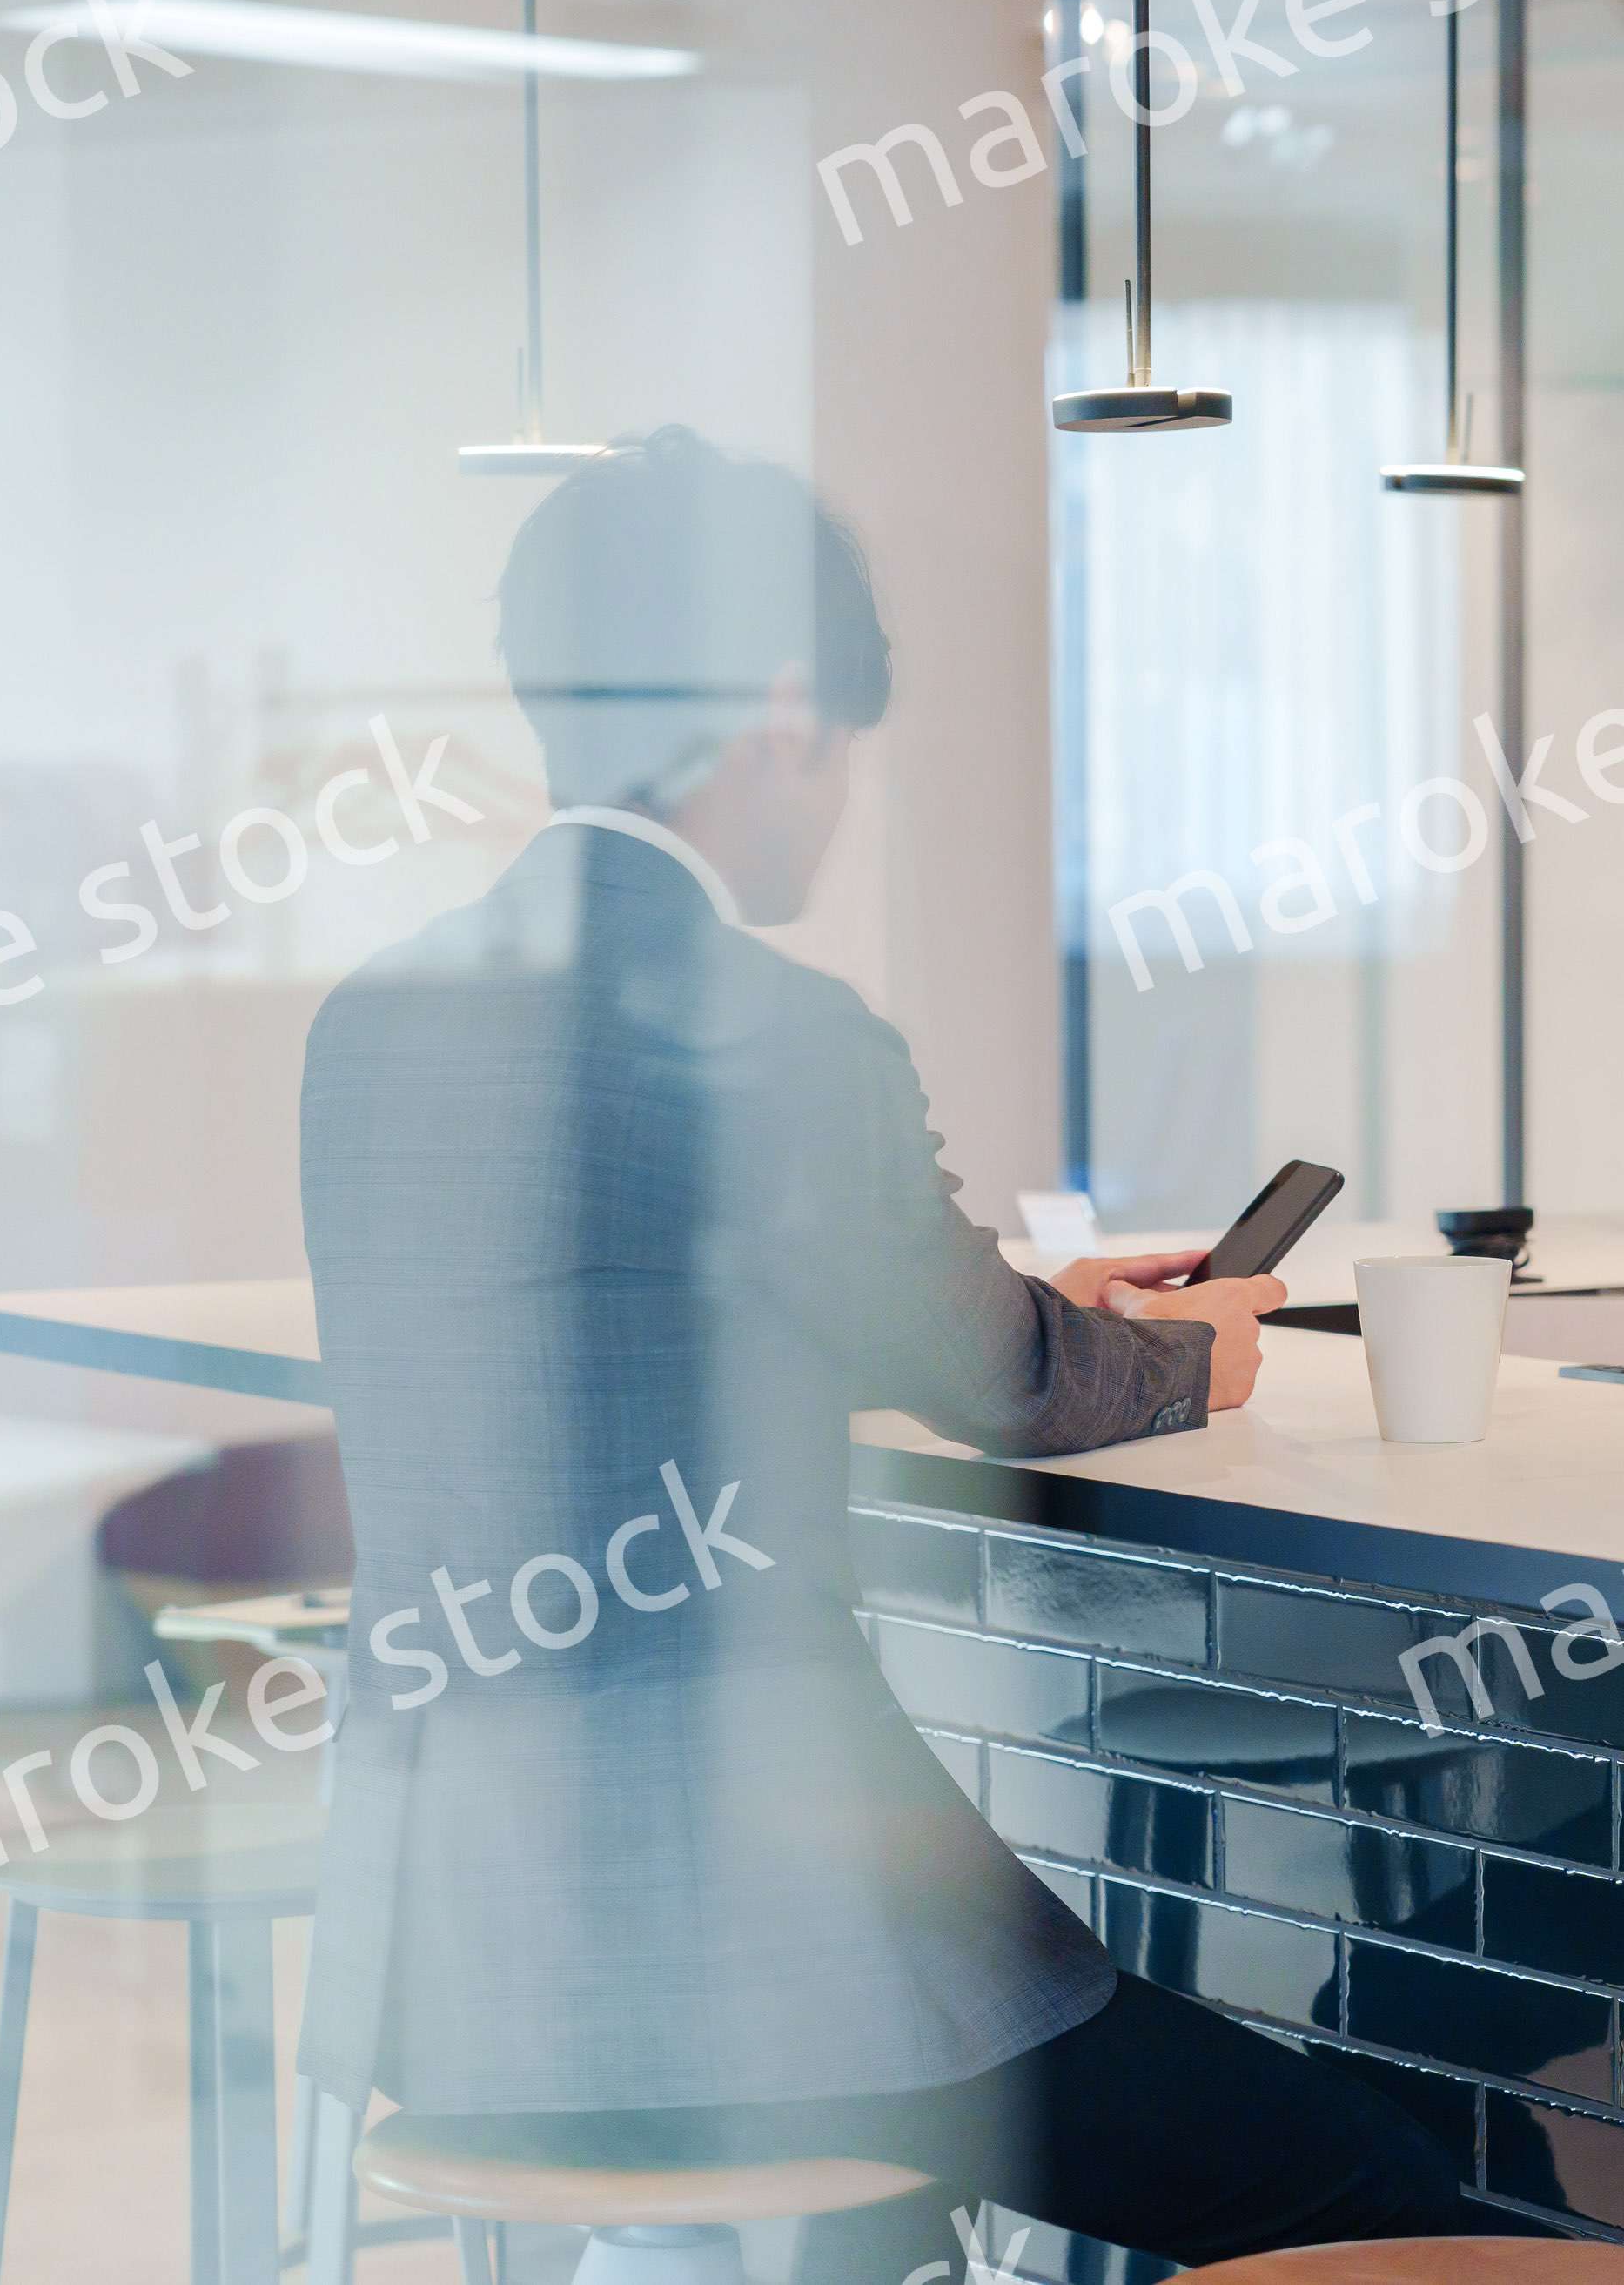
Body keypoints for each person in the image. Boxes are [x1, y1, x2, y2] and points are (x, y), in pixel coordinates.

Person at [295, 428, 1498, 2272]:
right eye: (839, 743)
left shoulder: (377, 1017)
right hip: (763, 1962)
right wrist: (1193, 1357)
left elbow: (623, 1330)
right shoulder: (767, 1025)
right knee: (1384, 2198)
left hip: (466, 1962)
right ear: (781, 711)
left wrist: (1050, 1318)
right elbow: (1006, 1386)